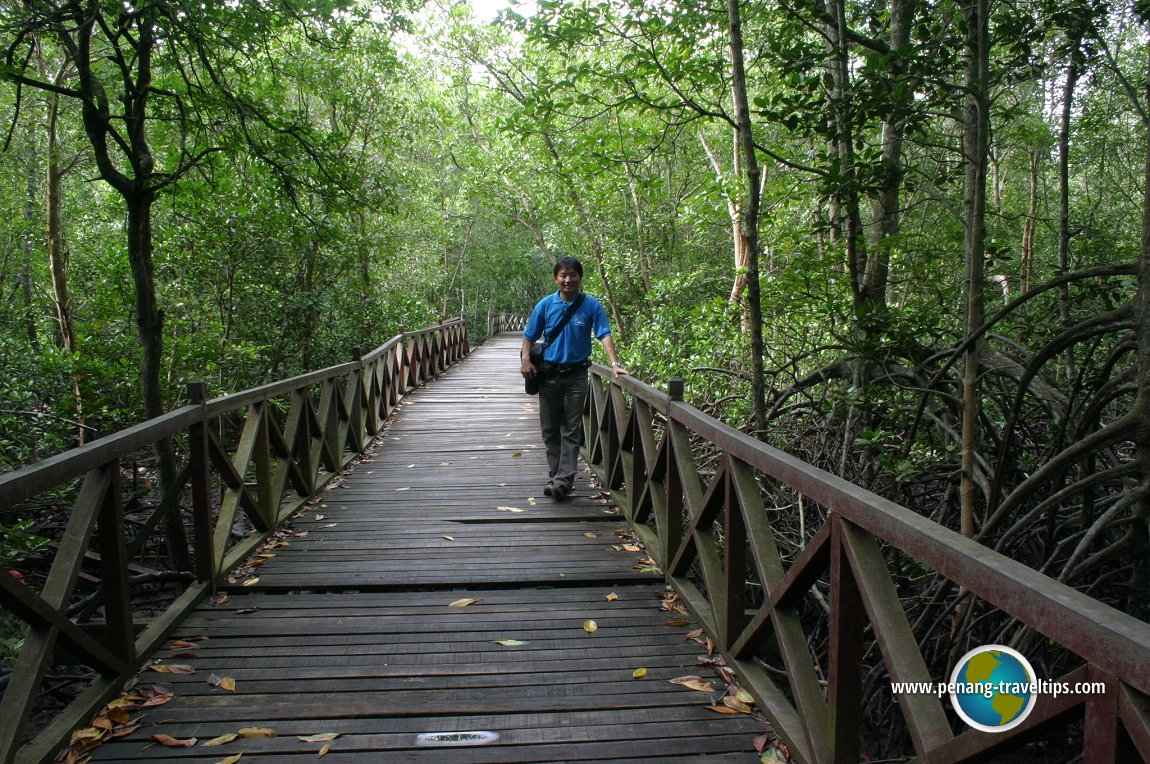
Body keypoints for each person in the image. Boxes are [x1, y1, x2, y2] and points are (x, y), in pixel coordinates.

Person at [521, 257, 628, 500]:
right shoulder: (546, 305)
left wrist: (614, 364)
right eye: (563, 275)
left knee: (570, 429)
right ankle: (556, 474)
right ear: (556, 278)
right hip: (549, 374)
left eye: (573, 275)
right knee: (550, 429)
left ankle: (563, 480)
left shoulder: (591, 305)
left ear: (580, 277)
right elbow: (529, 335)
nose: (568, 280)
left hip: (577, 375)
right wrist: (525, 360)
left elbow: (604, 334)